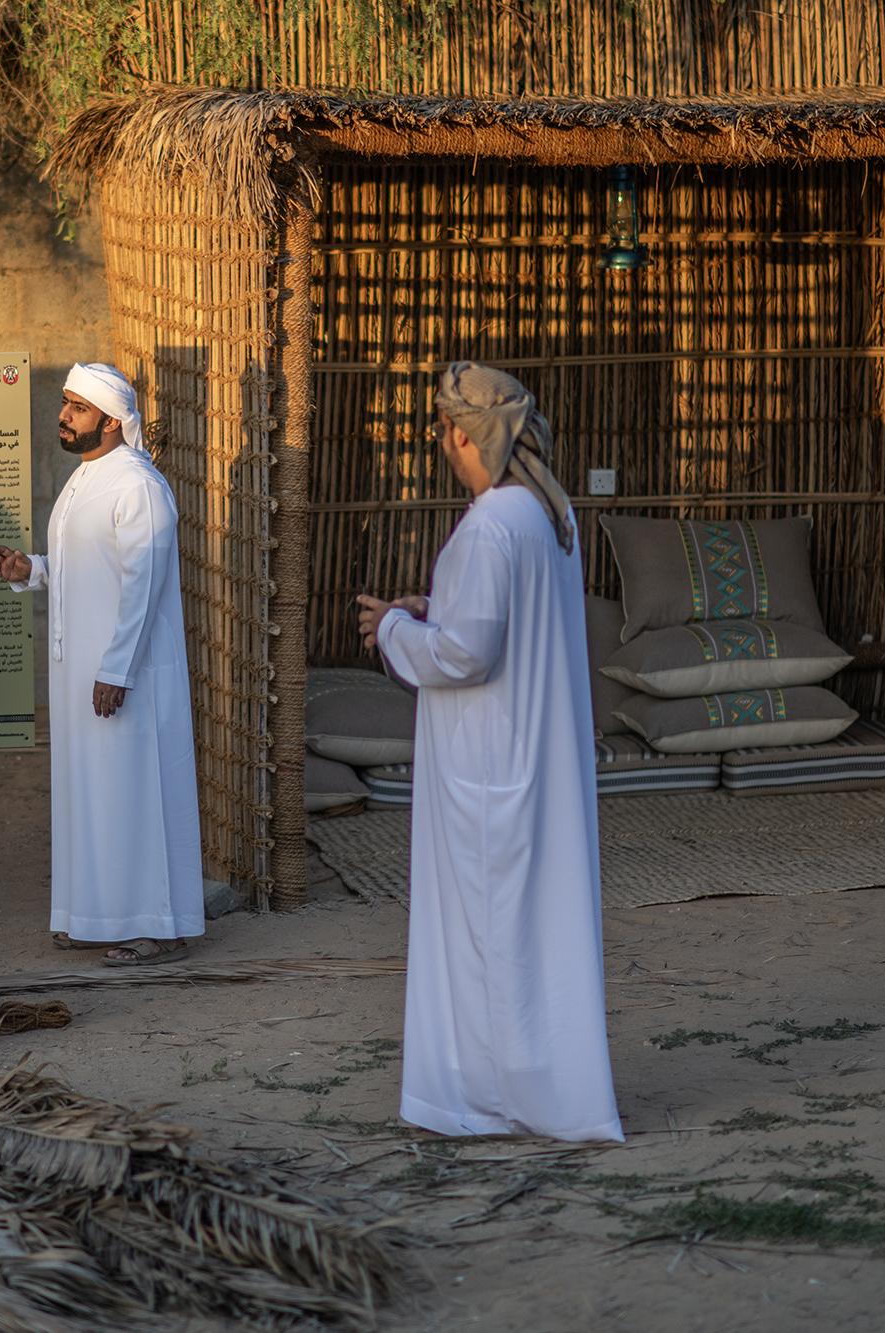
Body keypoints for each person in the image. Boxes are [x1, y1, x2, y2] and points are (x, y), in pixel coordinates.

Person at [355, 361, 623, 1142]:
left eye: (445, 430)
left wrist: (394, 630)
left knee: (486, 931)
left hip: (487, 769)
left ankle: (483, 1096)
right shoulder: (548, 514)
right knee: (532, 932)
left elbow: (467, 653)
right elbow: (499, 619)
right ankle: (540, 1087)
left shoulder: (490, 525)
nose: (442, 444)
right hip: (531, 759)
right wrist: (431, 607)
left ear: (469, 436)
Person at [0, 363, 204, 966]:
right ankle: (98, 917)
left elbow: (144, 584)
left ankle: (156, 928)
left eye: (77, 409)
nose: (63, 416)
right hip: (85, 673)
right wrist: (32, 569)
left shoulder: (138, 484)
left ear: (111, 421)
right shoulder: (84, 479)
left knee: (133, 794)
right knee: (93, 795)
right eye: (65, 404)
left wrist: (119, 669)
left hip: (122, 676)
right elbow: (89, 568)